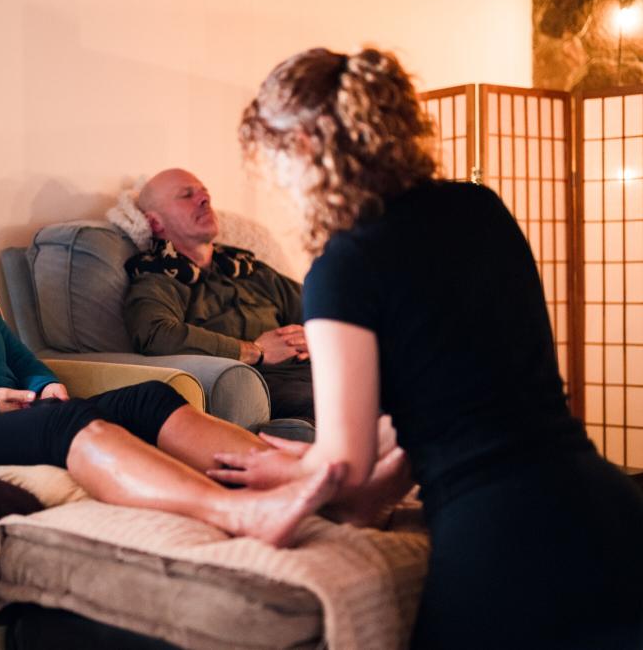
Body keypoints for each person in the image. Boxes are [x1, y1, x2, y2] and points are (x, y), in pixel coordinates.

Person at [213, 47, 643, 647]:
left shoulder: (343, 268)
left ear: (307, 147)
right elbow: (446, 398)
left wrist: (285, 468)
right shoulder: (480, 207)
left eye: (276, 158)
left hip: (500, 542)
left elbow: (344, 459)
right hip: (606, 507)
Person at [0, 147, 346, 549]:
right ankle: (241, 512)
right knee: (65, 423)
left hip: (9, 413)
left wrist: (41, 384)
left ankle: (310, 480)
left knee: (149, 398)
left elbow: (17, 353)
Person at [122, 168, 315, 423]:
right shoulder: (158, 275)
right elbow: (156, 334)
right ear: (156, 223)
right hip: (263, 386)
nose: (204, 199)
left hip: (314, 371)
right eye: (186, 195)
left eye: (205, 193)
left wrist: (317, 337)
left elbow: (318, 311)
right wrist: (255, 351)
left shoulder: (248, 268)